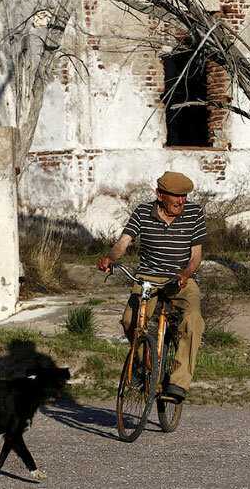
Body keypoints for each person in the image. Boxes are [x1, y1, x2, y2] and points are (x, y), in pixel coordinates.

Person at [98, 171, 206, 403]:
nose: (181, 201)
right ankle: (143, 364)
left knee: (193, 321)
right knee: (130, 320)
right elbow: (123, 243)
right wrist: (110, 259)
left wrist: (185, 274)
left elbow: (196, 256)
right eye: (176, 196)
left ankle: (178, 383)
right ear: (159, 195)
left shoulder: (194, 213)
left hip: (181, 279)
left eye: (184, 196)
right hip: (148, 277)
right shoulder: (142, 212)